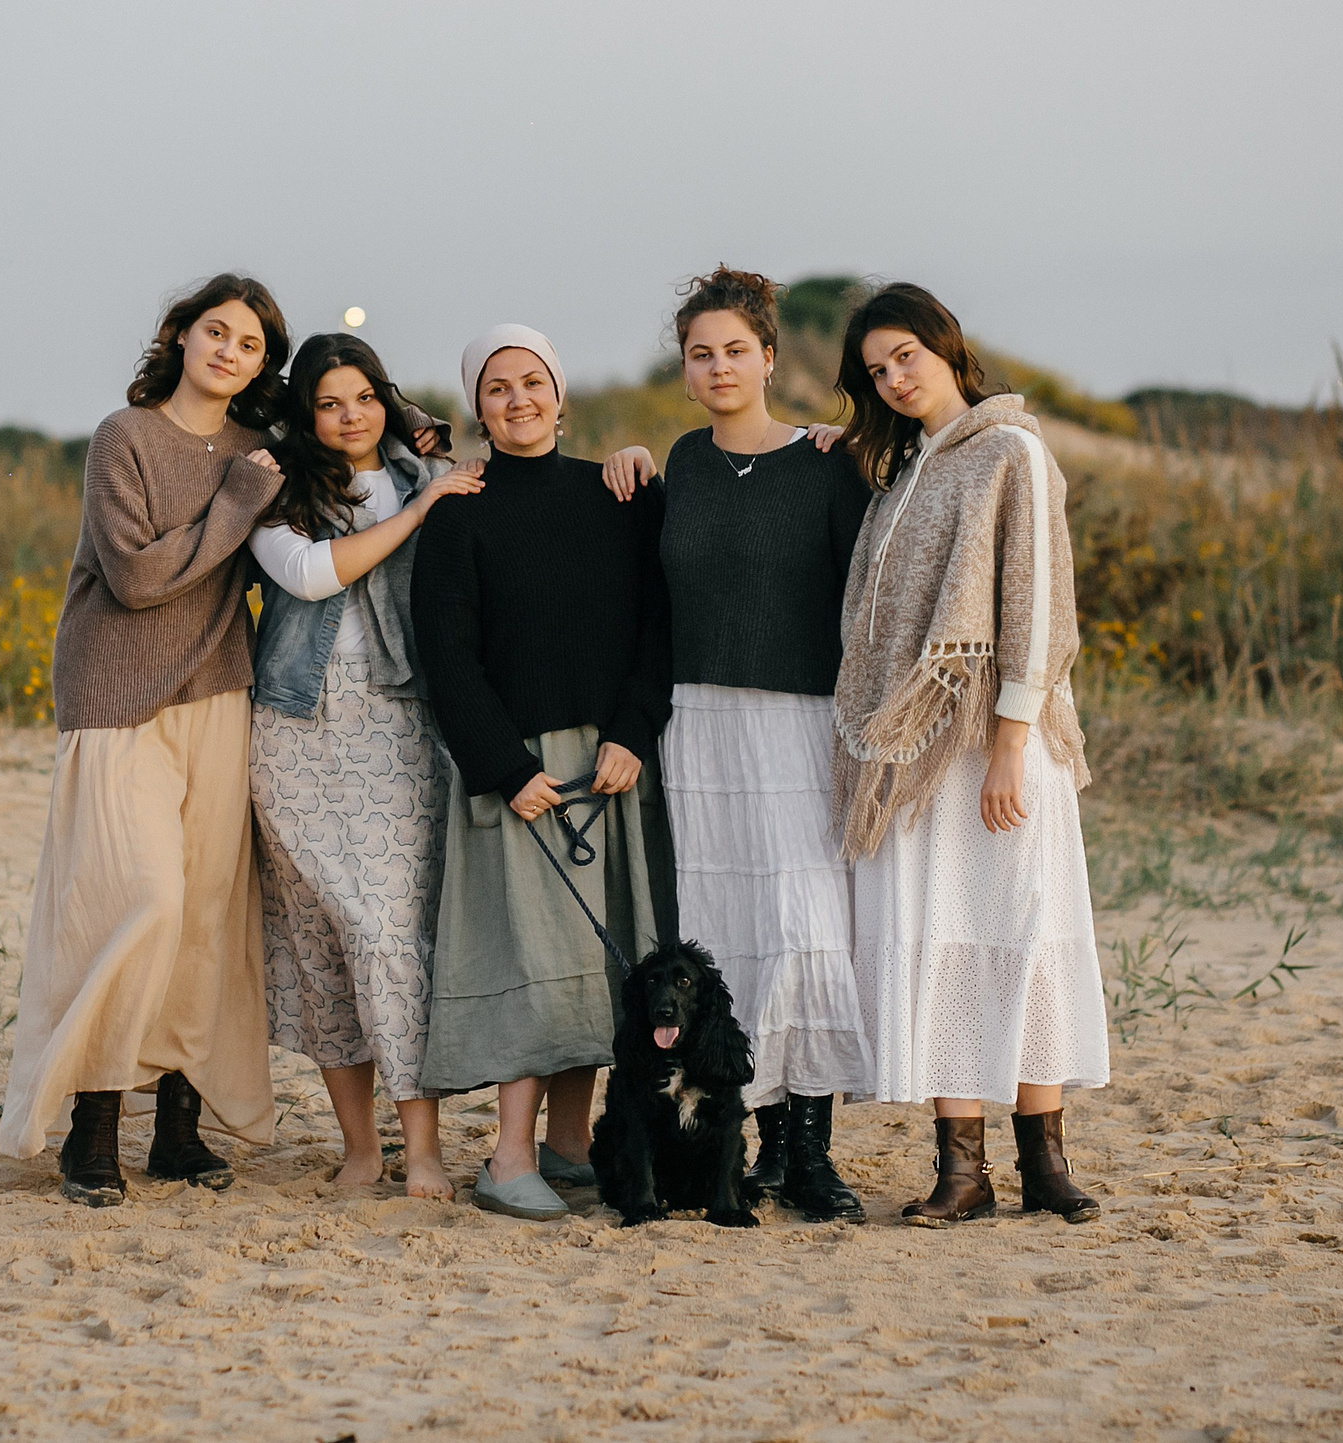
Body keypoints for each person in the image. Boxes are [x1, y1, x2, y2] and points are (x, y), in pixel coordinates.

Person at [0, 273, 292, 1208]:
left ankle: (176, 1128)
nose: (228, 352)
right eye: (217, 331)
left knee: (206, 915)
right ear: (180, 334)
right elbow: (134, 576)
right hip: (115, 699)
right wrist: (236, 505)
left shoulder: (259, 449)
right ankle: (90, 1123)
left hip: (217, 693)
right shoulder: (123, 439)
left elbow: (345, 460)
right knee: (138, 902)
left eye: (249, 345)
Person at [595, 266, 874, 1222]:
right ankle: (746, 1145)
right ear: (686, 368)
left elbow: (867, 596)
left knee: (804, 929)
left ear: (769, 356)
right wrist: (628, 460)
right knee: (731, 937)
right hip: (701, 728)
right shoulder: (679, 461)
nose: (718, 366)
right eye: (699, 353)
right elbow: (654, 597)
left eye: (735, 350)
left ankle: (811, 1154)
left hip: (800, 722)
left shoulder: (828, 460)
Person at [831, 281, 1108, 1225]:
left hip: (998, 741)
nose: (896, 378)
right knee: (949, 942)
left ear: (949, 348)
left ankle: (1046, 1161)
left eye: (906, 355)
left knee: (1023, 936)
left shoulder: (1010, 450)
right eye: (877, 370)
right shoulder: (901, 475)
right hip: (922, 753)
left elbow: (1037, 600)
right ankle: (963, 1171)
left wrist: (1010, 742)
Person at [411, 324, 675, 1221]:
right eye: (497, 387)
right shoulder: (457, 511)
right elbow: (445, 655)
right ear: (477, 408)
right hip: (517, 772)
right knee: (534, 964)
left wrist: (634, 732)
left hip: (610, 762)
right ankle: (507, 1156)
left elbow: (655, 628)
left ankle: (570, 1147)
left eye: (533, 382)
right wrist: (502, 765)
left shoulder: (619, 494)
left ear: (560, 396)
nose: (517, 399)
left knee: (598, 969)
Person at [248, 333, 485, 1201]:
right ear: (306, 416)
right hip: (295, 728)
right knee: (319, 945)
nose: (351, 416)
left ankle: (421, 1148)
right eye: (330, 403)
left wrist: (422, 458)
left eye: (365, 397)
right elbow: (309, 575)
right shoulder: (277, 487)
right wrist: (416, 513)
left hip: (398, 724)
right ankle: (360, 1148)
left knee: (388, 938)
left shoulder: (424, 471)